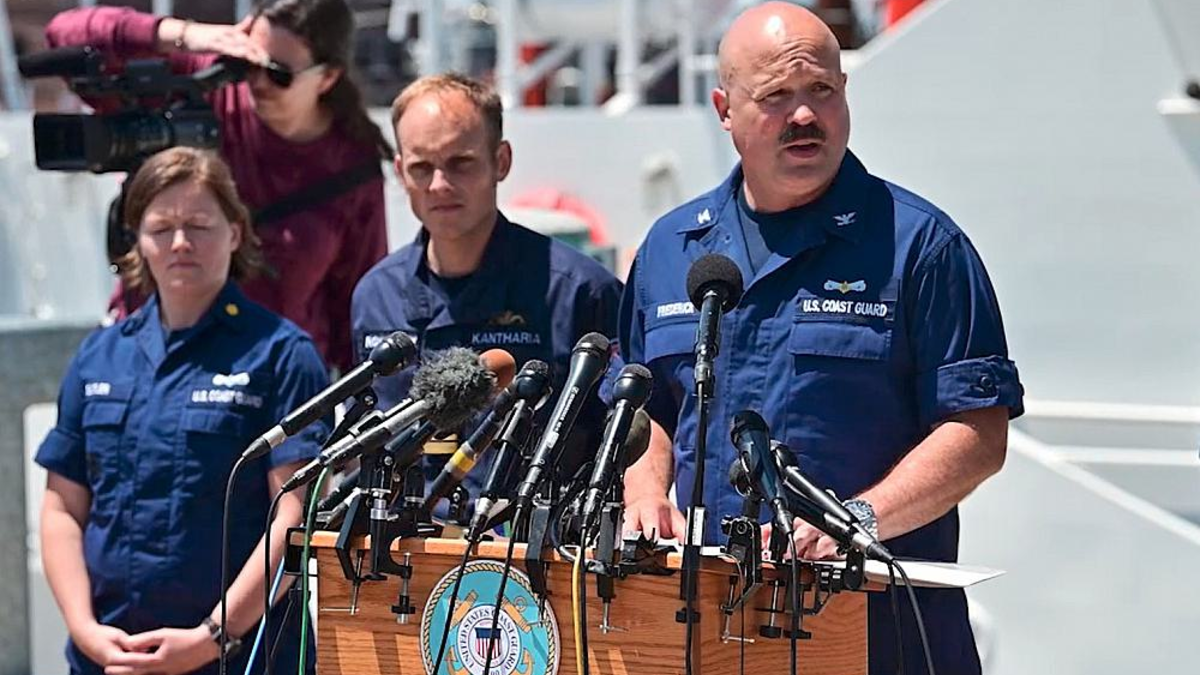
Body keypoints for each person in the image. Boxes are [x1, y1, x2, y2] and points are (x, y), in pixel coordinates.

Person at [616, 3, 1023, 674]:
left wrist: (857, 518)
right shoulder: (671, 248)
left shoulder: (920, 246)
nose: (804, 115)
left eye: (822, 92)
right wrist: (644, 490)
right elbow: (648, 404)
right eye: (776, 96)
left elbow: (978, 433)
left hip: (875, 632)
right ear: (724, 108)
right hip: (701, 629)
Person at [36, 148, 330, 675]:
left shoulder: (282, 355)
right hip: (109, 658)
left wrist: (212, 637)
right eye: (161, 227)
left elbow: (297, 518)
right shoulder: (99, 356)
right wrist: (84, 630)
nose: (180, 242)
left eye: (199, 224)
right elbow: (62, 509)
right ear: (137, 240)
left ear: (235, 233)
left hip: (244, 659)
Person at [45, 0, 391, 372]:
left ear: (328, 77)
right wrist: (188, 35)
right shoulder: (202, 84)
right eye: (247, 62)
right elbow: (63, 34)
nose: (256, 80)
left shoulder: (351, 167)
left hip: (272, 384)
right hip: (156, 367)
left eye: (277, 72)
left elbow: (359, 311)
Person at [351, 73, 622, 520]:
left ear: (501, 161)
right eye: (422, 167)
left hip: (534, 560)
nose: (439, 184)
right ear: (400, 172)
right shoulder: (375, 296)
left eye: (461, 163)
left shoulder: (580, 291)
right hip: (406, 563)